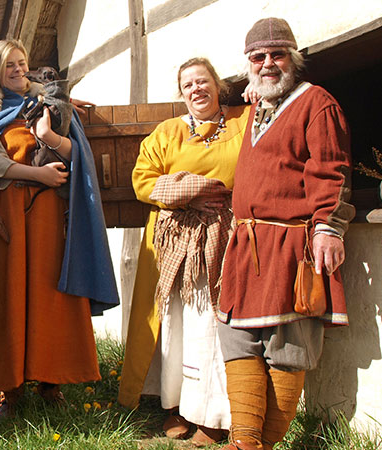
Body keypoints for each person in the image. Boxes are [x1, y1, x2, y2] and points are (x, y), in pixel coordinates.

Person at [0, 39, 119, 420]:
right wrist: (36, 172)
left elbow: (79, 156)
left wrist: (50, 136)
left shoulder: (52, 108)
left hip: (49, 221)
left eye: (22, 63)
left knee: (50, 297)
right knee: (8, 296)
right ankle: (10, 387)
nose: (18, 70)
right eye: (9, 65)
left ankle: (50, 381)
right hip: (6, 220)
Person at [217, 18, 354, 450]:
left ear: (294, 59)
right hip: (245, 247)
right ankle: (244, 443)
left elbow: (330, 169)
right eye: (259, 57)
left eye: (277, 55)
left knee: (287, 347)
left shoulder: (318, 103)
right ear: (249, 64)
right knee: (237, 339)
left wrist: (328, 227)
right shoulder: (258, 106)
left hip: (293, 247)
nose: (268, 63)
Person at [118, 57, 251, 446]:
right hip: (172, 239)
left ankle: (212, 416)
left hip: (224, 238)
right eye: (188, 84)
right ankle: (174, 406)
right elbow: (143, 181)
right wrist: (191, 191)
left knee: (212, 325)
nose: (196, 89)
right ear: (182, 93)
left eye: (203, 81)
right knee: (175, 326)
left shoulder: (243, 123)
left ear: (217, 86)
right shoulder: (168, 132)